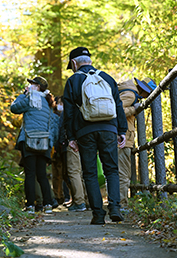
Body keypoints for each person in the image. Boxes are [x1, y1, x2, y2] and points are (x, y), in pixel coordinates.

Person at [63, 47, 128, 224]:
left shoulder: (73, 80)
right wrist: (122, 131)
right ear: (89, 60)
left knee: (90, 173)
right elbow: (118, 105)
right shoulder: (107, 78)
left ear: (74, 63)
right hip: (109, 129)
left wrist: (70, 137)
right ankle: (115, 207)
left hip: (85, 131)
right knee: (112, 170)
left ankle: (98, 215)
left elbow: (68, 113)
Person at [11, 76, 58, 214]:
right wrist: (50, 144)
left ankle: (31, 205)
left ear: (37, 86)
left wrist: (23, 94)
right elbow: (53, 126)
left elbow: (14, 108)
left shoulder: (30, 99)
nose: (29, 86)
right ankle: (48, 204)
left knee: (30, 174)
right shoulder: (48, 102)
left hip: (29, 141)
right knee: (42, 175)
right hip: (44, 143)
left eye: (31, 84)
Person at [117, 77, 157, 209]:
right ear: (144, 90)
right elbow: (116, 112)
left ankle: (118, 203)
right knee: (123, 174)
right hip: (122, 139)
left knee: (121, 173)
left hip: (122, 138)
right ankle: (121, 204)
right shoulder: (130, 95)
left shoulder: (130, 94)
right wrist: (134, 110)